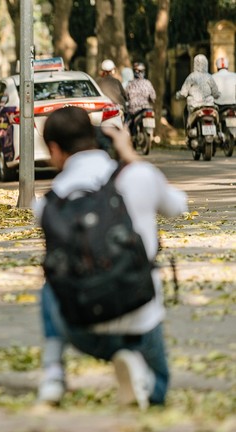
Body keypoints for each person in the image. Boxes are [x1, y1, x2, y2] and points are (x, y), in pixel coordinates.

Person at [33, 106, 187, 409]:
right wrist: (131, 157)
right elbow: (178, 206)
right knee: (159, 391)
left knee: (50, 283)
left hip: (85, 324)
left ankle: (53, 373)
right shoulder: (137, 175)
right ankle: (142, 373)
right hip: (142, 313)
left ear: (54, 148)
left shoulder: (49, 204)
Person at [176, 54, 220, 121]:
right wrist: (217, 95)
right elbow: (215, 93)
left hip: (194, 106)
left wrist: (179, 95)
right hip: (209, 105)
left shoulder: (192, 77)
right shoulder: (209, 77)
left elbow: (183, 92)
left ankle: (189, 128)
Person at [125, 62, 156, 135]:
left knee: (126, 125)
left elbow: (126, 96)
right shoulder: (148, 83)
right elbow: (153, 97)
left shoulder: (130, 84)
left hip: (133, 110)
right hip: (146, 108)